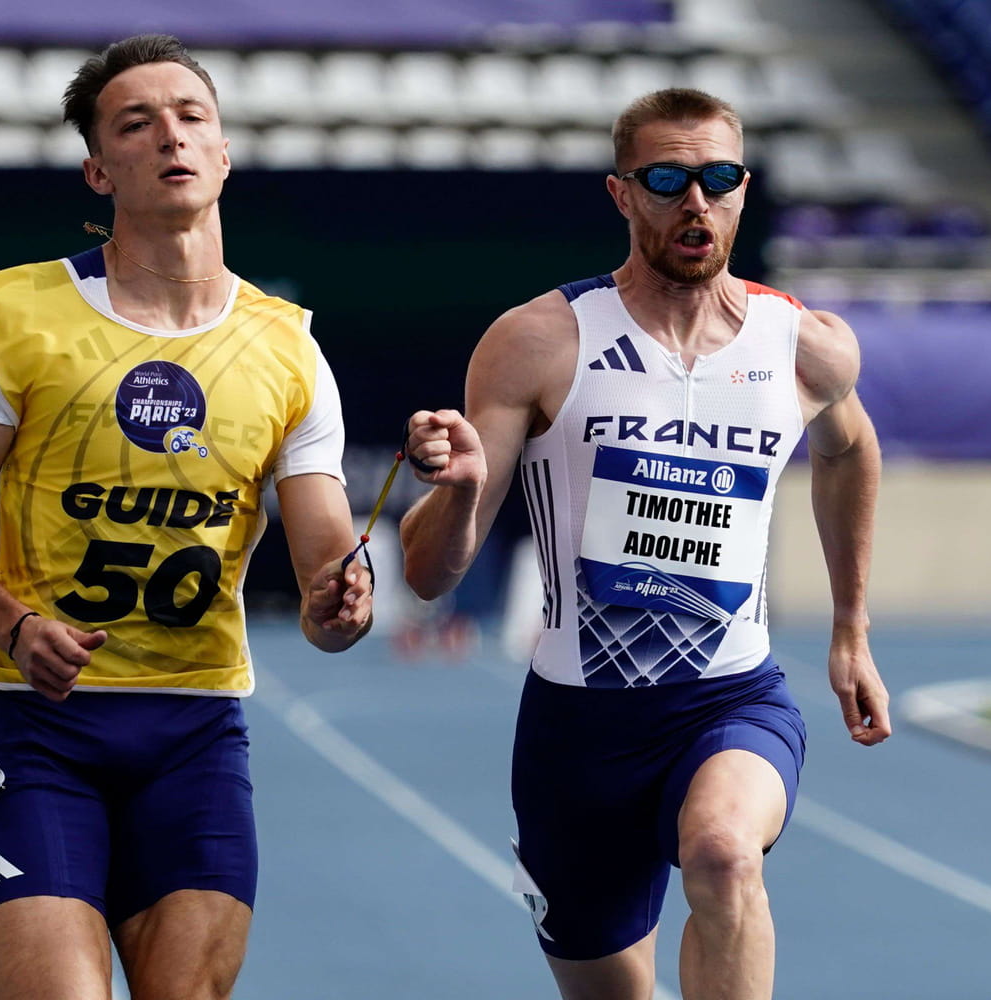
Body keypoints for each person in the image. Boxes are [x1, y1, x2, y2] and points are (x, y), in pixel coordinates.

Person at [0, 34, 372, 1000]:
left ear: (225, 152)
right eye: (137, 122)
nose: (171, 135)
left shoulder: (289, 350)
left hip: (196, 735)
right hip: (44, 727)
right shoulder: (20, 314)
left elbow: (331, 586)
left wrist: (346, 598)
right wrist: (15, 623)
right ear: (98, 168)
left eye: (192, 116)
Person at [399, 88, 889, 1000]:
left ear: (743, 191)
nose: (695, 201)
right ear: (622, 194)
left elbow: (851, 450)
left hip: (731, 697)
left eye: (718, 179)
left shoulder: (805, 347)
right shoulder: (540, 341)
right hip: (578, 732)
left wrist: (851, 627)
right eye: (667, 179)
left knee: (722, 854)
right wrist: (460, 491)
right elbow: (430, 575)